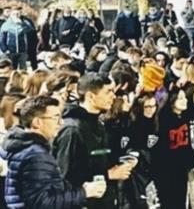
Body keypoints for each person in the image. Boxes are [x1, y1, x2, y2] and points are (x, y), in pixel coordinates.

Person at [1, 96, 107, 209]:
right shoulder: (36, 155)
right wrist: (84, 193)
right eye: (56, 118)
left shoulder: (26, 148)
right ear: (37, 122)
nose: (61, 122)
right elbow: (42, 202)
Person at [53, 74, 134, 209]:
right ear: (91, 96)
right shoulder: (72, 130)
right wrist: (108, 175)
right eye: (108, 92)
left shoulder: (100, 124)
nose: (113, 96)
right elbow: (64, 177)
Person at [152, 88, 194, 209]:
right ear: (172, 101)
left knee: (180, 202)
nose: (185, 100)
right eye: (180, 98)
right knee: (169, 203)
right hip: (165, 170)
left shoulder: (184, 118)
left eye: (185, 97)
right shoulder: (163, 119)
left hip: (180, 169)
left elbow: (186, 145)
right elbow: (161, 149)